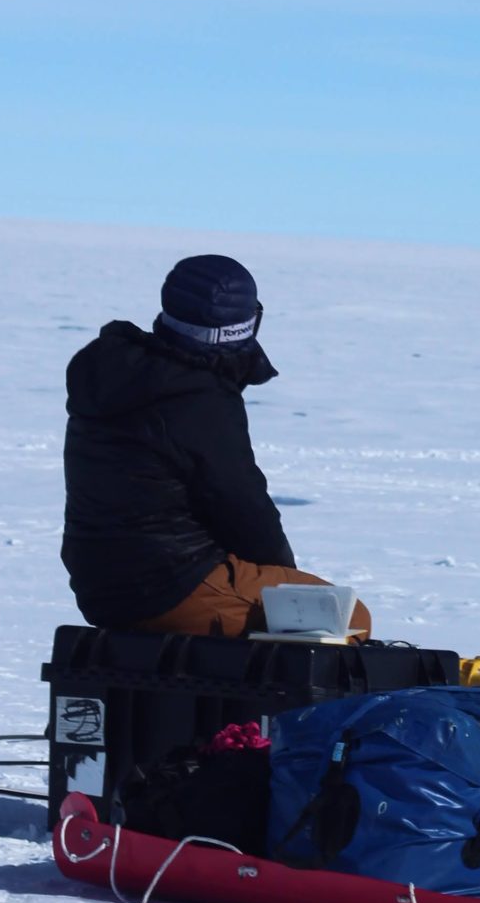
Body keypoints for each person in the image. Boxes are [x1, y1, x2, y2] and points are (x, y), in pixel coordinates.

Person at [61, 252, 371, 640]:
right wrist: (285, 581)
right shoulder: (200, 399)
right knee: (346, 618)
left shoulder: (114, 373)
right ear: (246, 324)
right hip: (173, 585)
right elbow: (242, 504)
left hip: (99, 583)